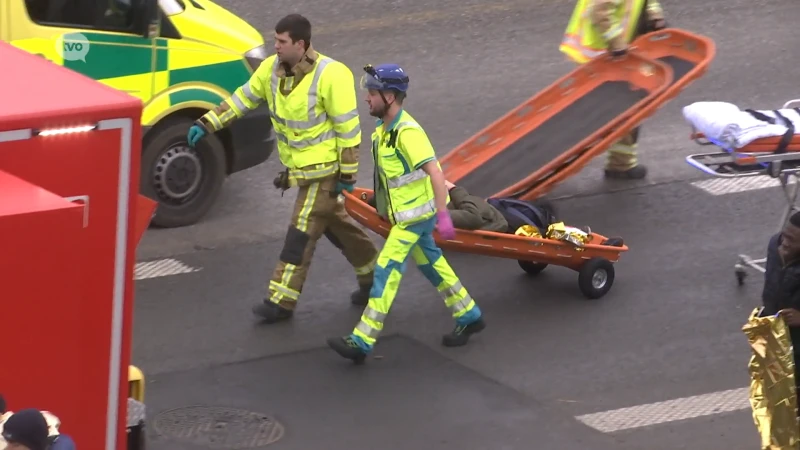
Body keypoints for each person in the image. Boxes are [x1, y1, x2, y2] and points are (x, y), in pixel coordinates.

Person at [186, 14, 380, 321]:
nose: (274, 46)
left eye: (281, 41)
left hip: (325, 173)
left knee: (300, 233)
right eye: (275, 40)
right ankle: (375, 279)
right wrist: (208, 123)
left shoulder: (332, 75)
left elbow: (349, 131)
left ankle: (280, 301)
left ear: (300, 45)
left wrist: (347, 174)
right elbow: (242, 100)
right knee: (336, 226)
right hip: (301, 173)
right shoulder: (270, 71)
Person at [327, 63, 486, 363]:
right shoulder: (382, 132)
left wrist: (442, 215)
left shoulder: (407, 133)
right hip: (409, 217)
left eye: (371, 93)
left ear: (389, 96)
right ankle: (469, 314)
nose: (366, 99)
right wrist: (358, 194)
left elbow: (436, 174)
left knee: (385, 270)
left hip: (414, 219)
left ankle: (362, 340)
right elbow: (389, 180)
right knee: (432, 265)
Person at [559, 0, 667, 180]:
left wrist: (655, 15)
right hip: (601, 54)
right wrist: (616, 44)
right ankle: (549, 164)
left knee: (628, 109)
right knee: (606, 112)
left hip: (614, 54)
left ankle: (621, 164)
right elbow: (599, 12)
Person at [761, 211, 800, 415]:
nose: (784, 242)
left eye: (792, 240)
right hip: (775, 330)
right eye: (785, 235)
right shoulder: (775, 244)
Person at [444, 180, 509, 232]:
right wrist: (453, 189)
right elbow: (473, 216)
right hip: (496, 226)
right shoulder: (439, 215)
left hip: (496, 222)